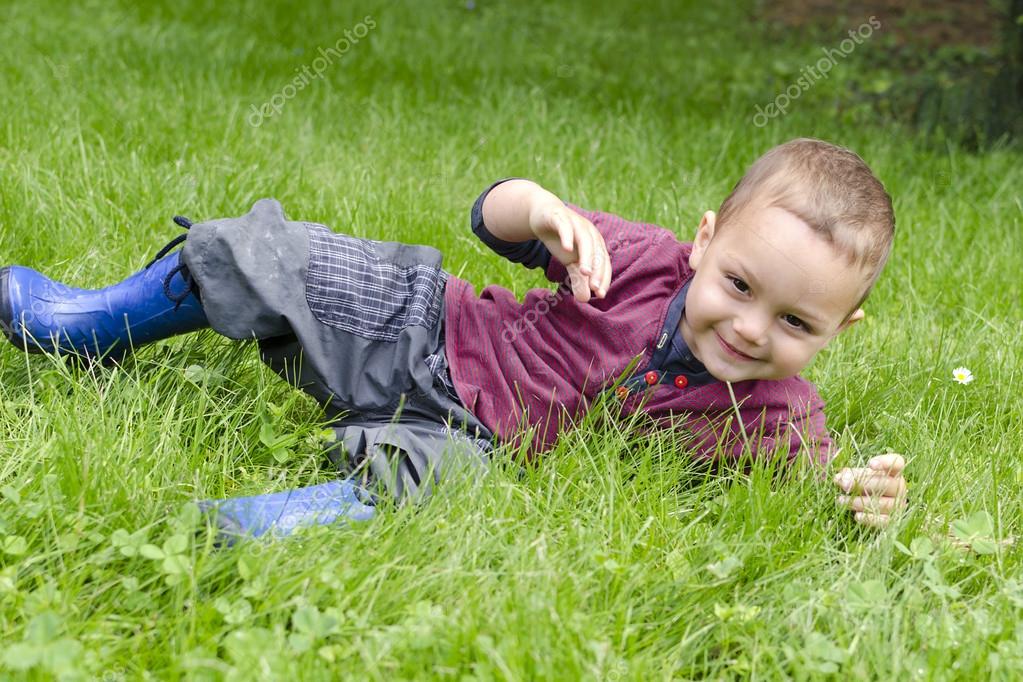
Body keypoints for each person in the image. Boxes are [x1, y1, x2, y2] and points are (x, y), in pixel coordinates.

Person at [0, 138, 908, 542]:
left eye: (795, 323)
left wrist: (867, 500)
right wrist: (542, 209)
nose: (748, 329)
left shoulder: (777, 418)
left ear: (841, 329)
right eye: (739, 286)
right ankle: (88, 324)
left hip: (476, 439)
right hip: (431, 329)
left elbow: (807, 497)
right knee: (274, 252)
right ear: (705, 242)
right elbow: (492, 215)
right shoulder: (634, 257)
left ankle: (247, 529)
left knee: (443, 489)